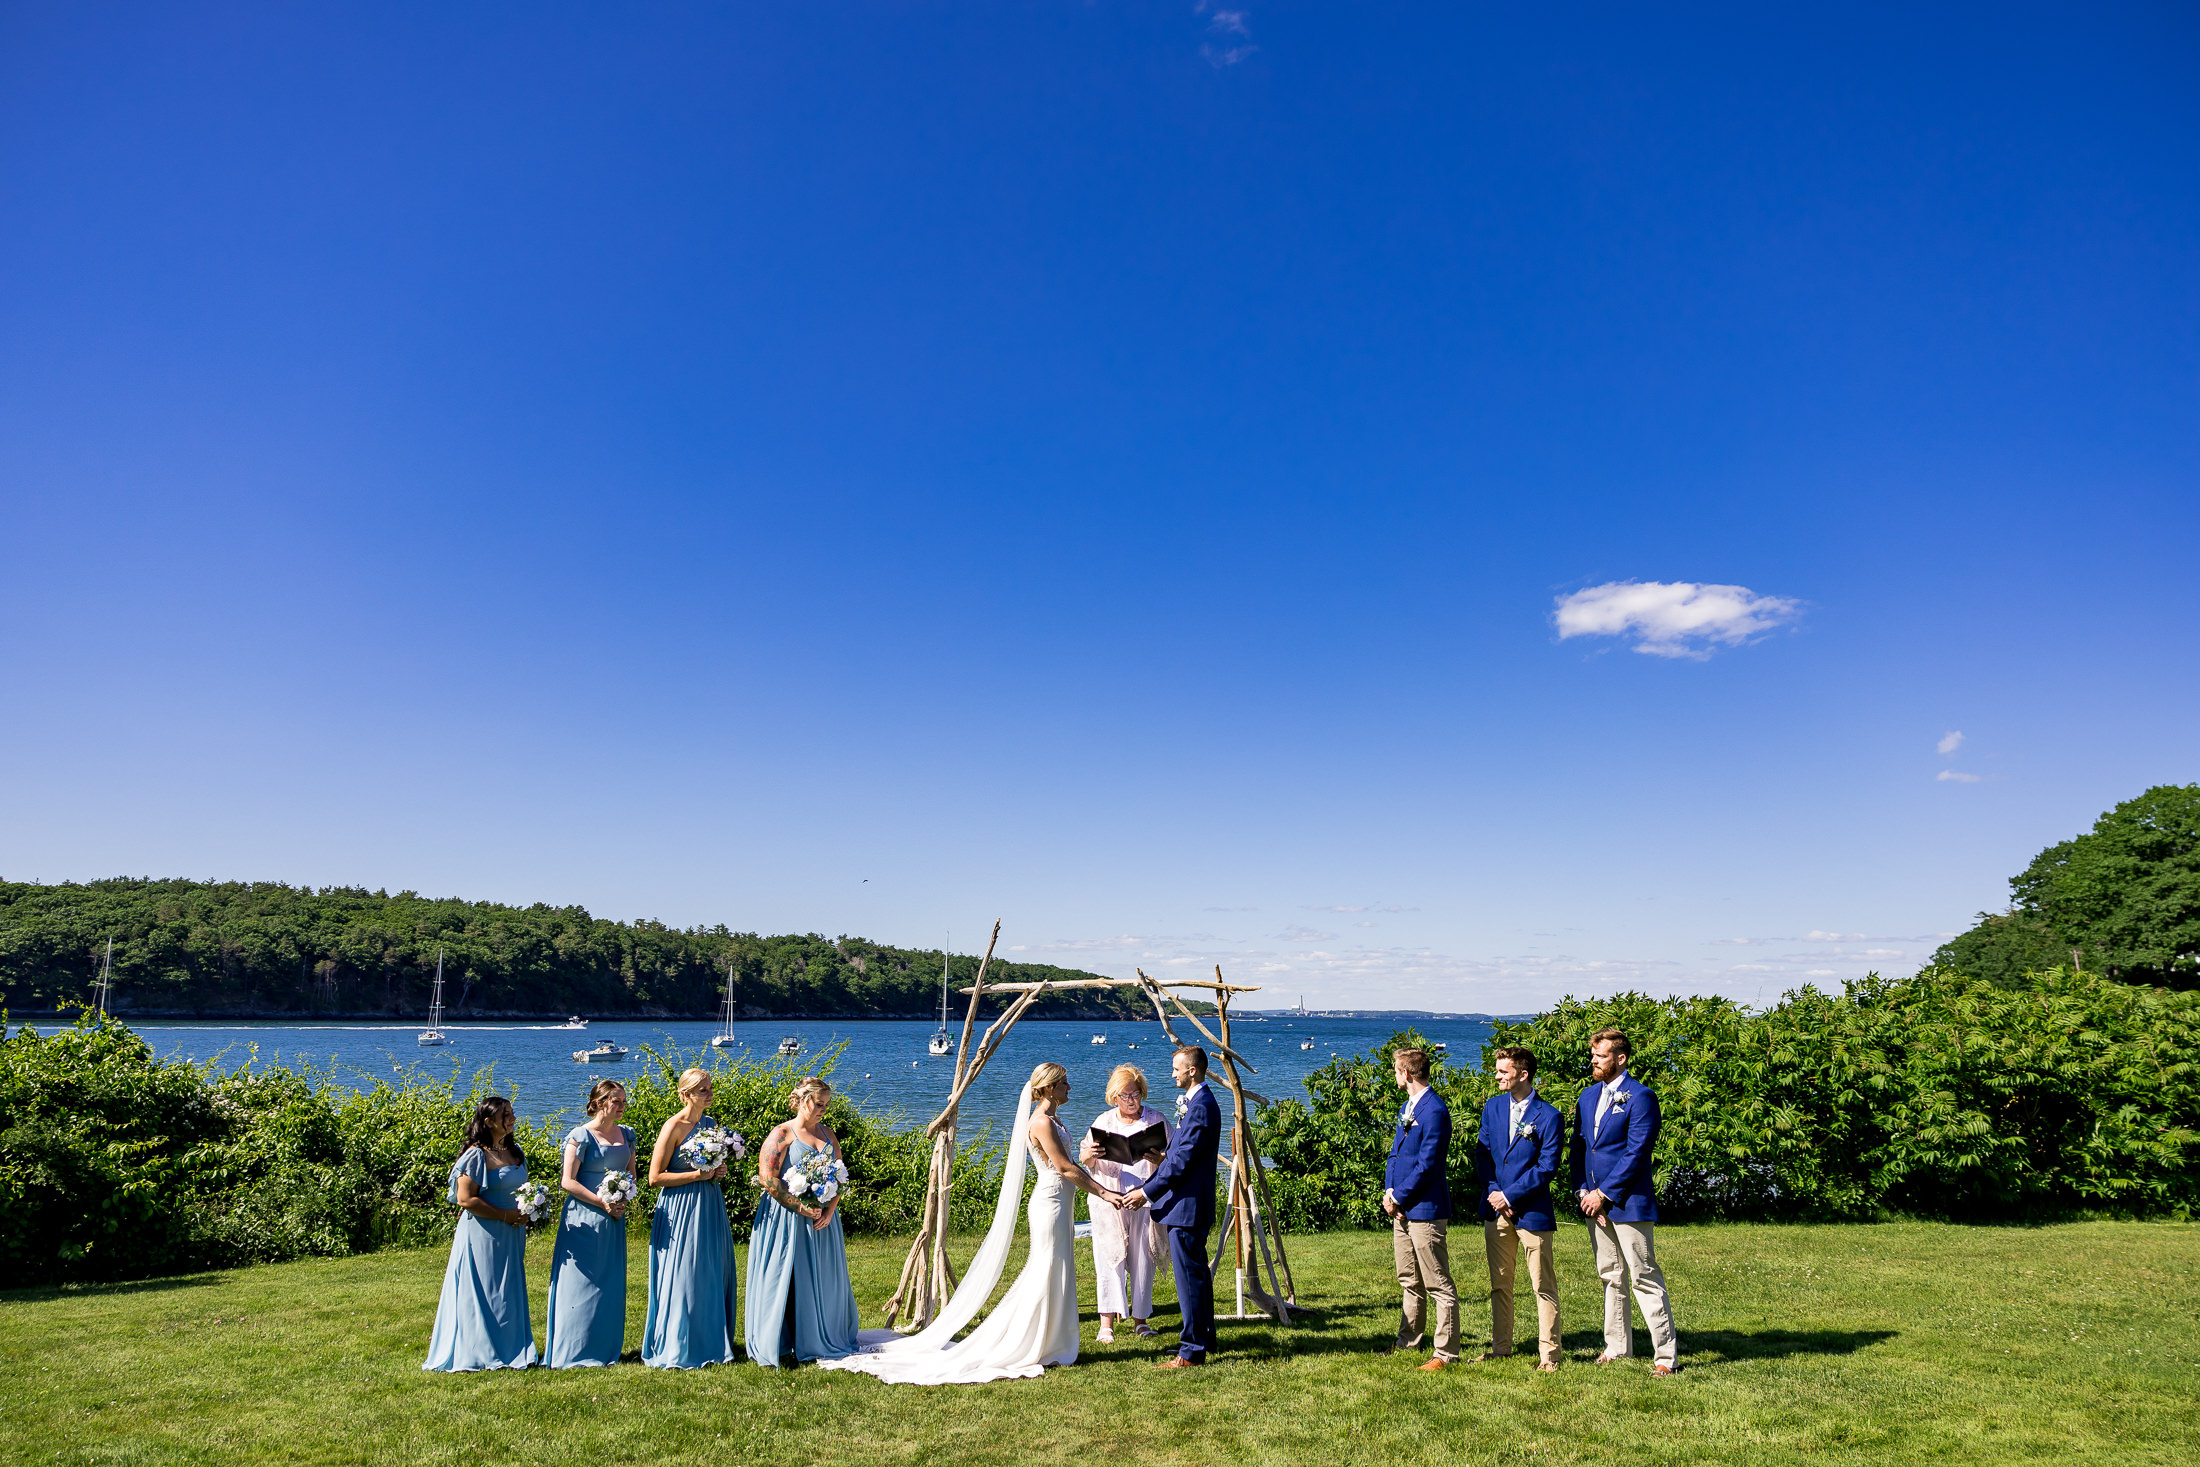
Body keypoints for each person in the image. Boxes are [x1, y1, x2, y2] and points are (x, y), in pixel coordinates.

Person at [819, 1062, 1130, 1384]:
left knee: (1057, 1268)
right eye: (1064, 1082)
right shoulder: (1040, 1122)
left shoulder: (1053, 1119)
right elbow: (1064, 1168)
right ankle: (1029, 1343)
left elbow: (1068, 1163)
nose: (1069, 1087)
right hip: (1050, 1201)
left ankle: (1052, 1342)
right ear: (1049, 1087)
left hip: (1061, 1202)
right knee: (1046, 1268)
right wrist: (1104, 1192)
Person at [1571, 1027, 1680, 1375]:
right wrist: (1583, 1192)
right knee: (1610, 1275)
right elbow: (1579, 1149)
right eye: (1593, 1055)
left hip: (1628, 1202)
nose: (1593, 1060)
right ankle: (1616, 1347)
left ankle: (1665, 1357)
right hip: (1592, 1202)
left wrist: (1605, 1194)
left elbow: (1637, 1153)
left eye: (1600, 1056)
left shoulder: (1641, 1096)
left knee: (1643, 1276)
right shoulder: (1588, 1097)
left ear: (1620, 1059)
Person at [745, 1075, 861, 1366]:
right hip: (786, 1219)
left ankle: (820, 1336)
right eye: (819, 1104)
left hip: (823, 1221)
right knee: (783, 1278)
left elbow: (840, 1175)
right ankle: (780, 1341)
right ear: (803, 1100)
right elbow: (768, 1179)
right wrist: (799, 1207)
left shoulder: (828, 1133)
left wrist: (830, 1210)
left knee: (823, 1279)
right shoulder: (782, 1134)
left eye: (826, 1104)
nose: (823, 1109)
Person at [1124, 1045, 1222, 1369]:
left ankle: (1192, 1350)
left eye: (1177, 1068)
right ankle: (1205, 1337)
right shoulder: (1195, 1104)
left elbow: (1182, 1164)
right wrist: (1161, 1158)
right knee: (1197, 1275)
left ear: (1192, 1070)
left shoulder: (1201, 1105)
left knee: (1189, 1279)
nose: (1173, 1074)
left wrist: (1146, 1192)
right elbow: (1181, 1158)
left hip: (1188, 1205)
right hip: (1189, 1202)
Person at [423, 1095, 538, 1371]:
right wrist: (505, 1215)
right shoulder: (476, 1155)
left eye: (512, 1112)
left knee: (507, 1290)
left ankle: (509, 1348)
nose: (511, 1118)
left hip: (512, 1232)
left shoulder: (516, 1150)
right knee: (484, 1289)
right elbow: (465, 1199)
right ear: (488, 1122)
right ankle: (477, 1350)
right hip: (482, 1233)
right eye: (505, 1115)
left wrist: (529, 1207)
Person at [641, 1067, 740, 1368]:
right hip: (680, 1207)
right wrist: (697, 1175)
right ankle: (680, 1342)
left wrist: (718, 1171)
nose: (709, 1094)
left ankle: (711, 1338)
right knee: (684, 1272)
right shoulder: (673, 1126)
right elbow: (654, 1177)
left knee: (710, 1268)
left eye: (710, 1088)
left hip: (708, 1202)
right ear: (686, 1095)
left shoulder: (710, 1123)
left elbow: (711, 1166)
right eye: (702, 1090)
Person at [1473, 1046, 1564, 1371]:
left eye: (1503, 1071)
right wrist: (1495, 1192)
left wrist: (1510, 1196)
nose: (1497, 1076)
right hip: (1495, 1210)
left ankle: (1549, 1355)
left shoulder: (1549, 1116)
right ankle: (1500, 1349)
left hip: (1532, 1212)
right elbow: (1483, 1155)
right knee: (1500, 1284)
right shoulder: (1493, 1107)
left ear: (1523, 1075)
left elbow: (1546, 1167)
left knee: (1542, 1285)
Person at [544, 1079, 636, 1368]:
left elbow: (631, 1174)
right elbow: (567, 1181)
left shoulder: (628, 1134)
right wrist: (602, 1202)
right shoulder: (580, 1136)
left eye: (623, 1101)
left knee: (608, 1281)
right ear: (599, 1104)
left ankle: (604, 1346)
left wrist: (622, 1200)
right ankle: (573, 1349)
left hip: (614, 1219)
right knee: (580, 1284)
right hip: (583, 1218)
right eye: (616, 1101)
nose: (622, 1106)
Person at [1079, 1064, 1173, 1342]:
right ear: (1114, 1097)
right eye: (1124, 1095)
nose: (1130, 1100)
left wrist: (1160, 1159)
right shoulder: (1103, 1121)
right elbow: (1085, 1159)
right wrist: (1091, 1154)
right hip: (1110, 1201)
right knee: (1108, 1258)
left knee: (1144, 1259)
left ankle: (1141, 1320)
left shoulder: (1156, 1120)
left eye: (1135, 1094)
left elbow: (1174, 1159)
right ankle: (1106, 1323)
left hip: (1144, 1199)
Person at [1381, 1047, 1458, 1371]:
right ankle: (1408, 1339)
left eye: (1396, 1071)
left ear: (1407, 1074)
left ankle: (1445, 1352)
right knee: (1408, 1278)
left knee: (1437, 1282)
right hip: (1401, 1207)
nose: (1395, 1076)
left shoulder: (1434, 1111)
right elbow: (1396, 1154)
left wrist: (1399, 1196)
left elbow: (1428, 1164)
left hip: (1425, 1208)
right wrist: (1389, 1191)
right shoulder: (1408, 1106)